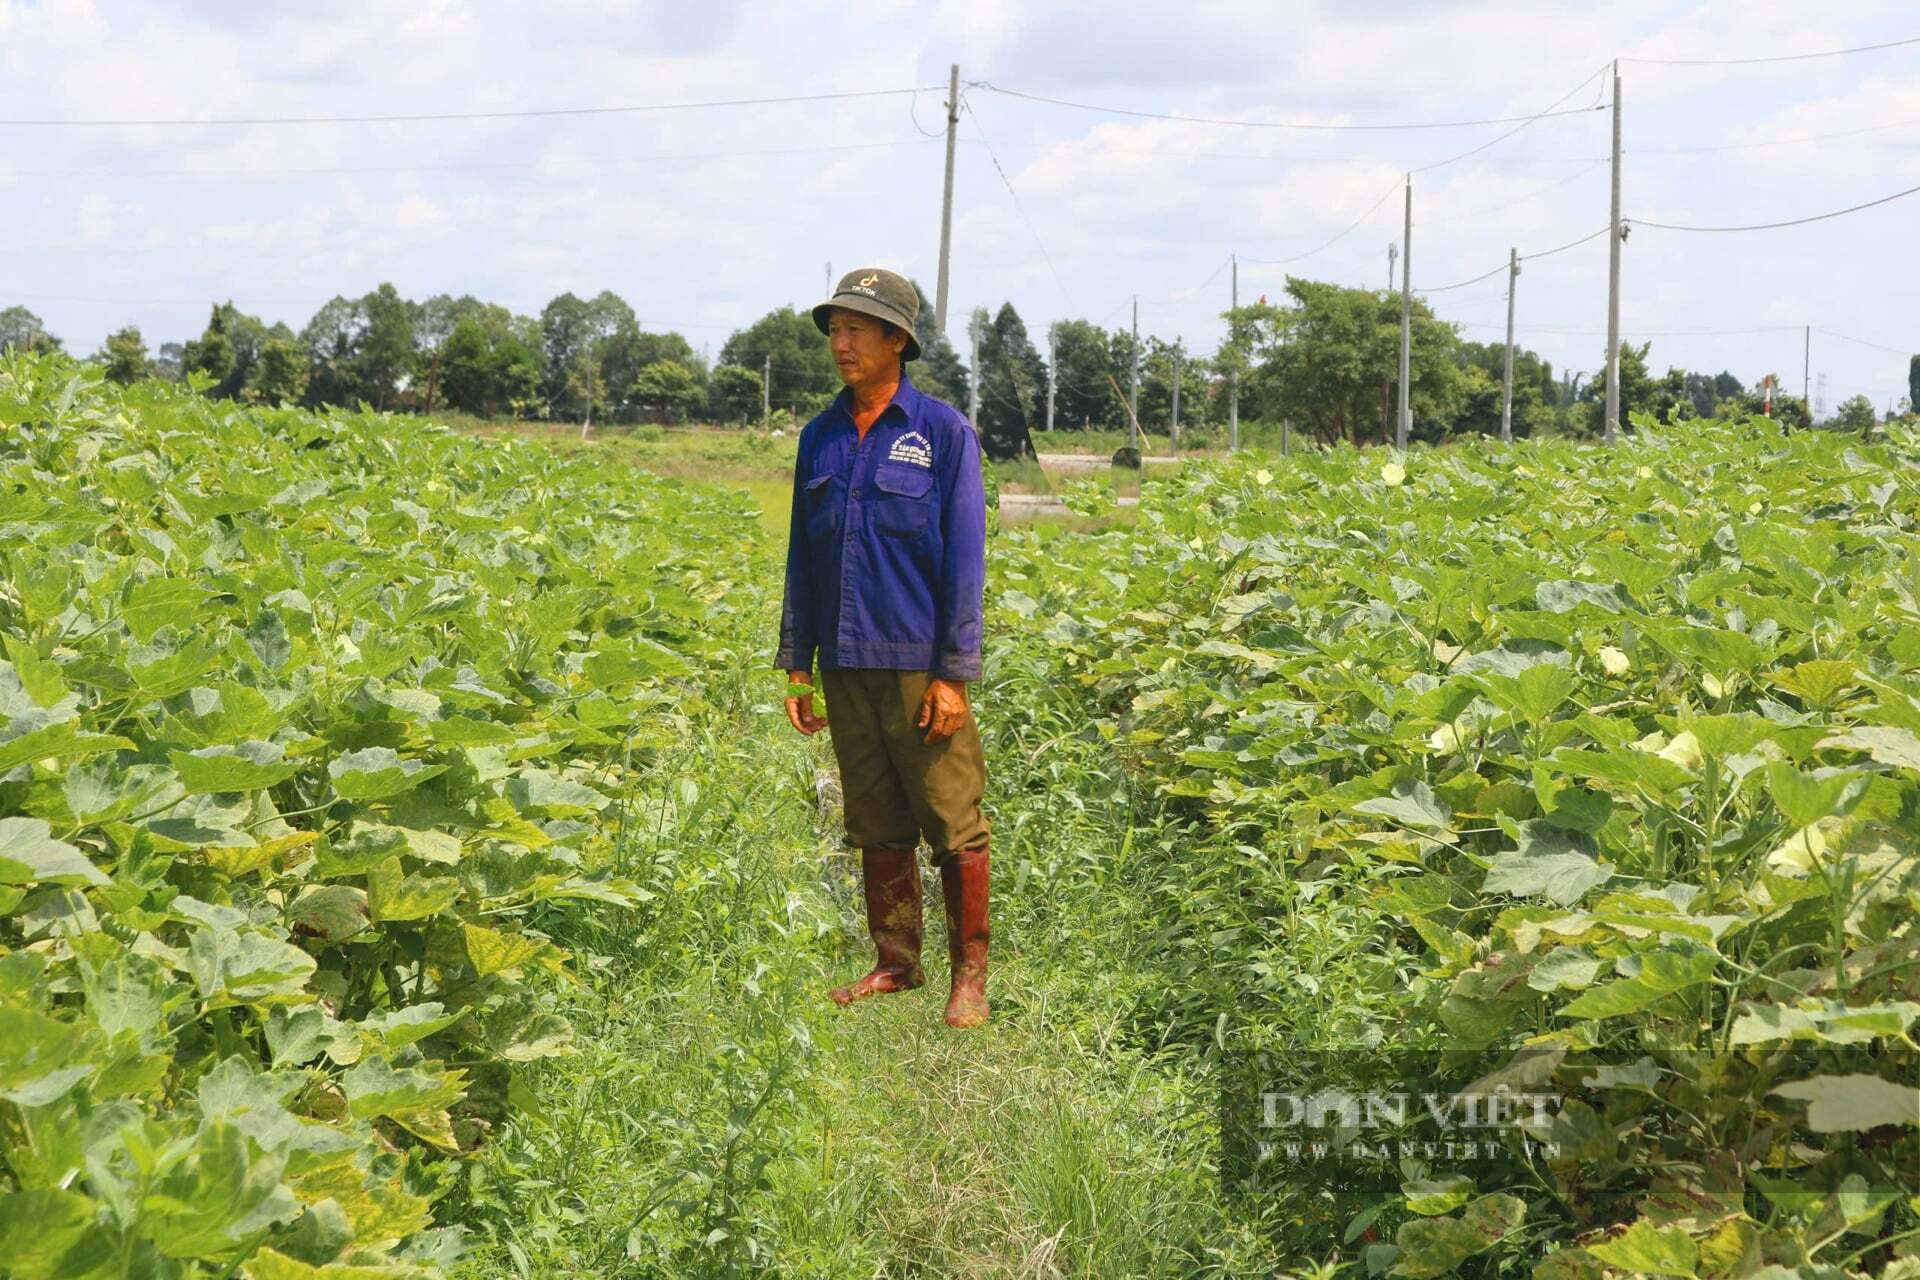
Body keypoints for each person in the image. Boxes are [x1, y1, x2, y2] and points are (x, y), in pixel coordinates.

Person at [775, 266, 991, 1029]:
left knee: (952, 815)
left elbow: (965, 562)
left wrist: (953, 674)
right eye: (835, 329)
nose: (842, 342)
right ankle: (897, 964)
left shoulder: (940, 434)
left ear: (898, 339)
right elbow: (803, 555)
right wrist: (798, 662)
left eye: (857, 329)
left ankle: (971, 977)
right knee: (874, 817)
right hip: (845, 660)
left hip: (917, 663)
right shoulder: (821, 437)